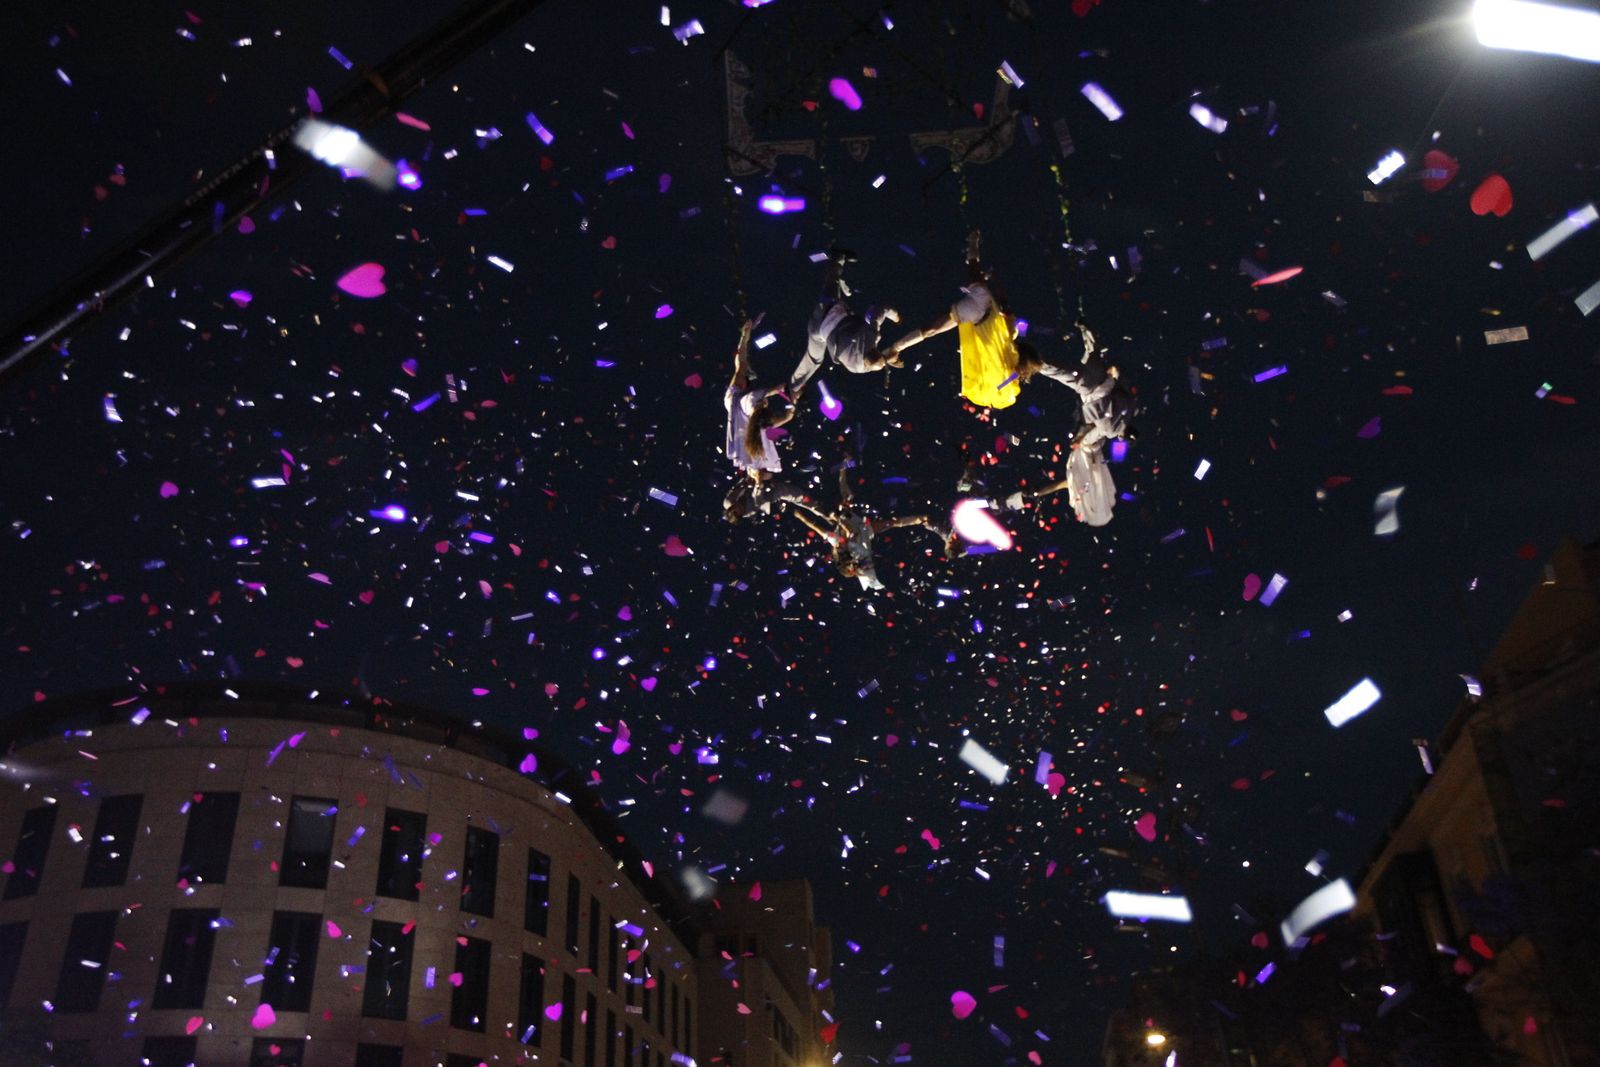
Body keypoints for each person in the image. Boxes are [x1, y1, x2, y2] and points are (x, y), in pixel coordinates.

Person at [881, 229, 1023, 409]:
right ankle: (894, 348)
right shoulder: (1006, 349)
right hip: (975, 315)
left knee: (973, 266)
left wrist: (994, 280)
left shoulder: (1010, 337)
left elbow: (1004, 302)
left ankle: (973, 241)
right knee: (931, 330)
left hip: (983, 301)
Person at [791, 466, 932, 589]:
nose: (854, 565)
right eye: (853, 568)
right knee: (893, 522)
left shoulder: (838, 543)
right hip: (865, 531)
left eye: (851, 566)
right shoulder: (861, 563)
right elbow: (868, 575)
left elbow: (819, 529)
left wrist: (802, 517)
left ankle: (843, 470)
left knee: (847, 497)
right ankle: (921, 518)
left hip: (852, 522)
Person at [724, 314, 803, 521]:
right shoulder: (758, 423)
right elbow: (781, 419)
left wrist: (745, 335)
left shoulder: (746, 400)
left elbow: (745, 369)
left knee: (741, 368)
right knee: (743, 371)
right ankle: (745, 339)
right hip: (749, 431)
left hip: (736, 404)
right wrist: (792, 406)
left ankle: (745, 337)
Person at [788, 250, 901, 392]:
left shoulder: (870, 336)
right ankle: (792, 387)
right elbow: (873, 363)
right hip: (819, 332)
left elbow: (878, 310)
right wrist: (887, 359)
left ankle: (838, 257)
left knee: (832, 281)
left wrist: (895, 315)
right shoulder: (856, 368)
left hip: (827, 310)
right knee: (814, 360)